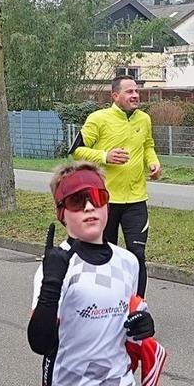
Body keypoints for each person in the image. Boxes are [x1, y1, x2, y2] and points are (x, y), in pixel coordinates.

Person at [28, 161, 156, 386]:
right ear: (61, 213)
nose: (89, 207)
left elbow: (129, 320)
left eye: (97, 197)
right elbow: (40, 343)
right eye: (77, 201)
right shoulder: (56, 266)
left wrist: (142, 326)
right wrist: (51, 285)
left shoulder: (127, 262)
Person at [70, 75, 161, 297]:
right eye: (129, 91)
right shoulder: (98, 119)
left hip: (136, 200)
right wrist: (105, 156)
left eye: (136, 91)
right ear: (115, 95)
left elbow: (148, 146)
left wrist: (153, 162)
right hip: (105, 201)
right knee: (105, 255)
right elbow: (76, 151)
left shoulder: (144, 119)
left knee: (137, 255)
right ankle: (106, 304)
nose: (135, 95)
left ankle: (136, 308)